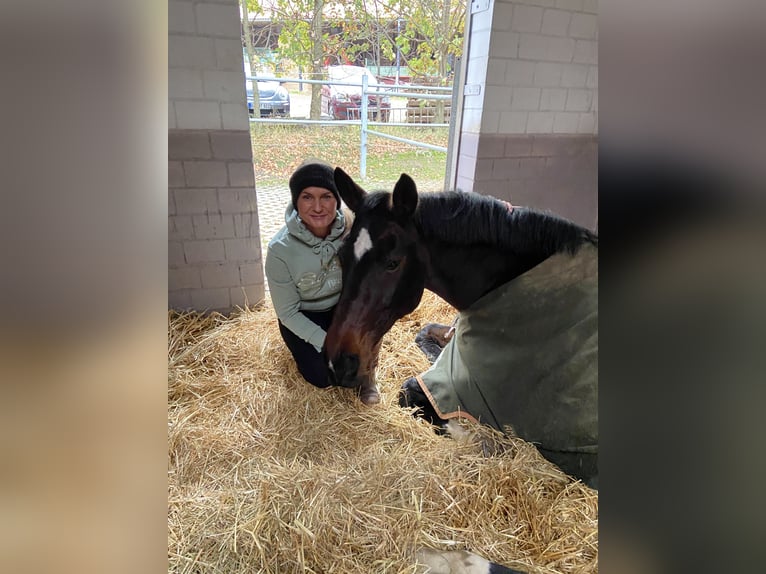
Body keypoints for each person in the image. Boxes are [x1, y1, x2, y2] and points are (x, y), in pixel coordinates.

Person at [264, 161, 379, 404]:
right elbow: (287, 312)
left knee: (355, 364)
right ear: (296, 201)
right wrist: (328, 342)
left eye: (326, 196)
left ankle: (369, 378)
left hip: (341, 309)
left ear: (337, 200)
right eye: (307, 197)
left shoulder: (351, 230)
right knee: (323, 376)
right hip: (305, 314)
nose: (317, 207)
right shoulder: (280, 250)